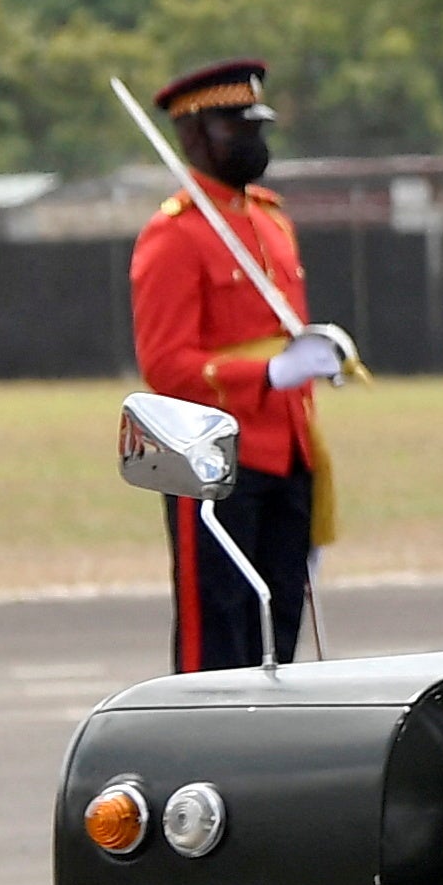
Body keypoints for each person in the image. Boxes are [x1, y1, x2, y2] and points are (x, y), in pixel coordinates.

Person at [128, 58, 344, 669]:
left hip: (290, 456)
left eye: (256, 125)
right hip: (216, 464)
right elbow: (166, 365)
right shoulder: (175, 236)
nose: (254, 141)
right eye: (235, 128)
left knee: (280, 640)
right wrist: (268, 373)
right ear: (194, 136)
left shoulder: (272, 222)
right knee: (219, 644)